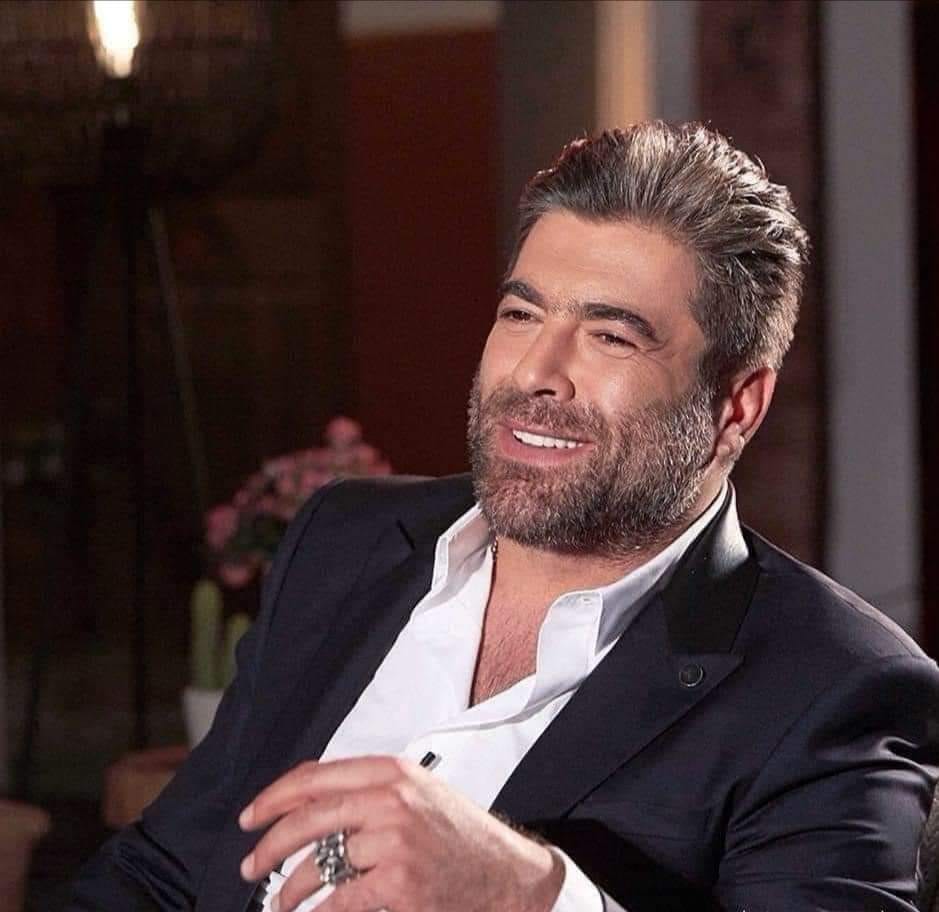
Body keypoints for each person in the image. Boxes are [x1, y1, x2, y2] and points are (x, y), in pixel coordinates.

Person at [70, 121, 939, 912]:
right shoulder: (345, 541)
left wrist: (528, 896)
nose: (534, 373)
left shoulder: (833, 687)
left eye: (610, 336)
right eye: (521, 314)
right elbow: (163, 871)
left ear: (736, 405)